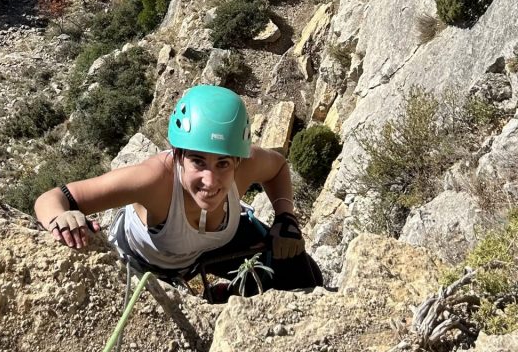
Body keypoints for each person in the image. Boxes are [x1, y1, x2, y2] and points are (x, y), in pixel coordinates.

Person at [34, 85, 322, 300]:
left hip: (206, 248)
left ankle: (226, 296)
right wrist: (62, 218)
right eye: (198, 161)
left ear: (237, 161)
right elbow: (53, 198)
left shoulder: (246, 167)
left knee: (298, 268)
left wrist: (286, 218)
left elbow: (278, 168)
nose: (210, 180)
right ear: (178, 155)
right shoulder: (154, 179)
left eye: (223, 163)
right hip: (144, 265)